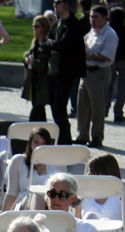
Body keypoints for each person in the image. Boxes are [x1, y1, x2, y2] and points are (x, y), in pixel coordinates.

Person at [75, 5, 119, 149]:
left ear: (105, 18)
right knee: (82, 106)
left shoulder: (110, 34)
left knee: (97, 107)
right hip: (86, 72)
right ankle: (82, 135)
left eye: (96, 17)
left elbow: (107, 57)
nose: (92, 20)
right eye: (91, 17)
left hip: (99, 73)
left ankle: (97, 137)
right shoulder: (91, 33)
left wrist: (90, 55)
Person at [45, 0, 86, 145]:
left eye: (57, 2)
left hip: (65, 73)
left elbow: (64, 45)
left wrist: (53, 46)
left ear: (66, 4)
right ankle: (64, 141)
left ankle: (64, 144)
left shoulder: (73, 24)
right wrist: (52, 46)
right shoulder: (57, 24)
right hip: (52, 73)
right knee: (55, 110)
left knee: (59, 110)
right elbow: (46, 42)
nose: (54, 5)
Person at [0, 126, 56, 213]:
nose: (39, 147)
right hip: (24, 204)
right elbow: (11, 194)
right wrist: (1, 220)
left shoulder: (56, 164)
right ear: (30, 143)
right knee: (37, 194)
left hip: (50, 204)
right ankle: (36, 224)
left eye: (43, 143)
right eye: (36, 142)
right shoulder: (18, 161)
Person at [106, 6, 125, 124]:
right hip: (124, 61)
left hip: (111, 60)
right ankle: (118, 112)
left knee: (109, 87)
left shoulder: (109, 30)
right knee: (122, 88)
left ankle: (105, 109)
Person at [22, 15, 51, 123]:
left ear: (44, 27)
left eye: (37, 26)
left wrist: (33, 63)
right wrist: (26, 57)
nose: (34, 28)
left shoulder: (47, 44)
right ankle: (45, 134)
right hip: (34, 81)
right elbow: (28, 53)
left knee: (36, 113)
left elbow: (46, 66)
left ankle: (32, 134)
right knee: (40, 112)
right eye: (33, 26)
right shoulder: (35, 42)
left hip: (43, 83)